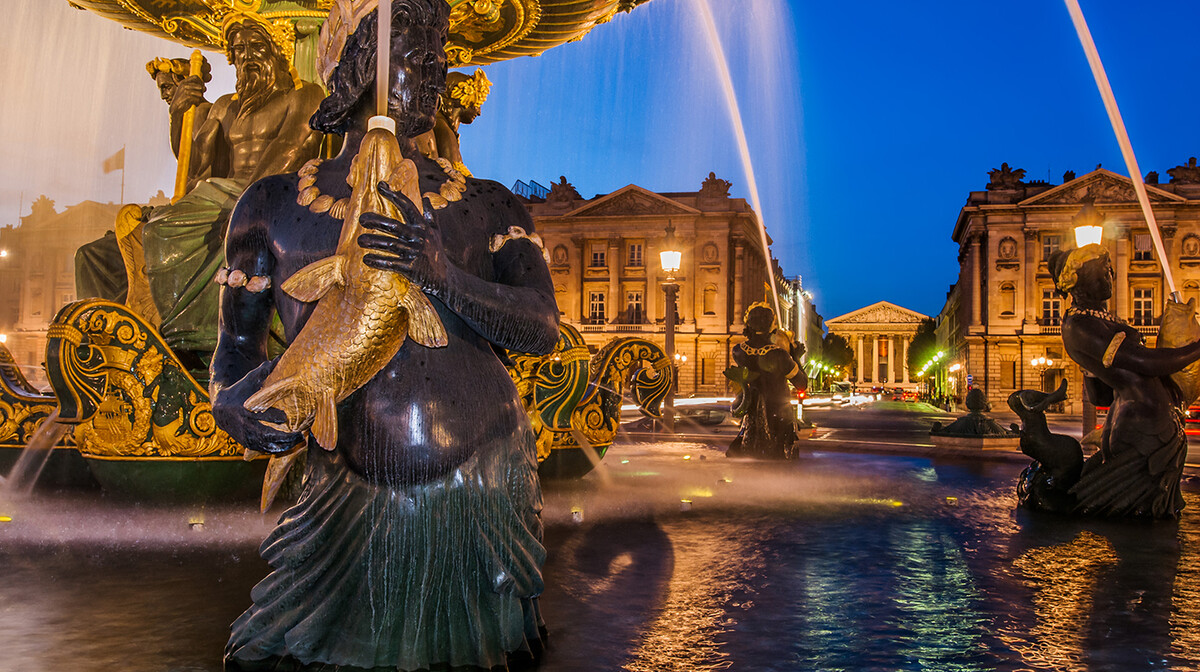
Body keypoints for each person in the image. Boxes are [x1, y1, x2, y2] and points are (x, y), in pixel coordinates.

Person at [211, 1, 558, 669]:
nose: (433, 69)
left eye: (438, 56)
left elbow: (542, 328)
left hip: (482, 480)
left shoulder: (487, 202)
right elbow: (234, 355)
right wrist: (234, 405)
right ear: (361, 66)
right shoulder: (272, 203)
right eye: (414, 52)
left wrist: (444, 277)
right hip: (343, 482)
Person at [142, 13, 326, 364]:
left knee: (177, 226)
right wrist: (182, 114)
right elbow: (195, 166)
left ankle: (211, 333)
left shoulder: (305, 96)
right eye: (238, 50)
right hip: (222, 190)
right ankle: (188, 333)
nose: (246, 58)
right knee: (160, 228)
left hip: (274, 193)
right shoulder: (226, 106)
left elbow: (289, 151)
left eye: (257, 47)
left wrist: (246, 204)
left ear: (280, 52)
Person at [1050, 242, 1200, 517]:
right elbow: (1144, 363)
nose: (1109, 276)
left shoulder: (1095, 319)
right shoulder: (1080, 324)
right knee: (1135, 517)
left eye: (1108, 269)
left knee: (1141, 517)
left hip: (1147, 422)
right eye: (1099, 271)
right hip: (1141, 428)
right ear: (1076, 281)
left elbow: (1102, 397)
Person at [726, 302, 807, 459]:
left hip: (751, 413)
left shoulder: (738, 351)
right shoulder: (780, 355)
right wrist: (795, 356)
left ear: (748, 324)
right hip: (778, 415)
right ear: (771, 326)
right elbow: (801, 383)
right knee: (779, 460)